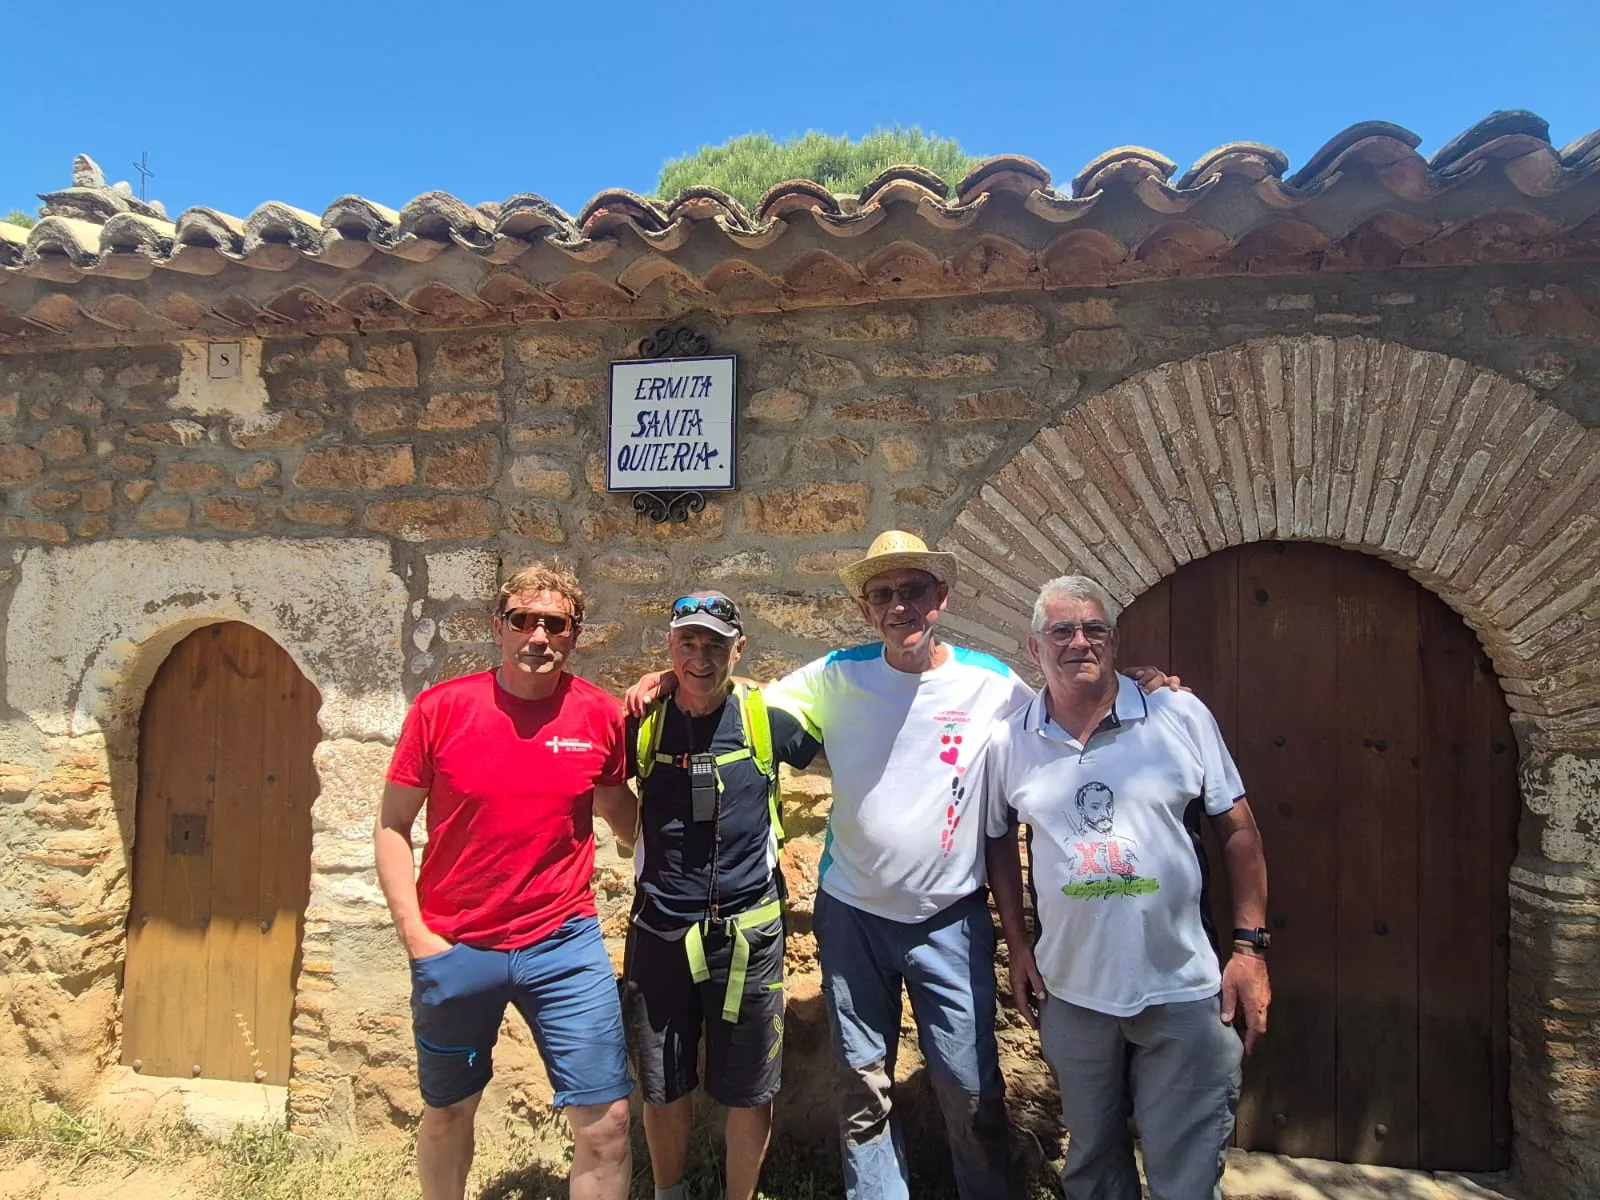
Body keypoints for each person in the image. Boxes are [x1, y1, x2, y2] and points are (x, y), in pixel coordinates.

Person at [627, 531, 1176, 1200]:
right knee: (862, 1089)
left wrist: (1139, 686)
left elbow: (1064, 716)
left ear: (940, 598)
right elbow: (736, 699)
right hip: (853, 916)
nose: (899, 606)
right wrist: (667, 676)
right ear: (866, 609)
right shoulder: (837, 674)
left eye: (913, 590)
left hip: (951, 920)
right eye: (883, 594)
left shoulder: (989, 683)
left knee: (970, 1089)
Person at [983, 574, 1272, 1200]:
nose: (1079, 642)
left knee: (1187, 1177)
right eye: (1062, 630)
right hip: (1076, 994)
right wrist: (1018, 943)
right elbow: (997, 839)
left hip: (1183, 991)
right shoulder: (1011, 740)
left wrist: (1250, 950)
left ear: (1113, 642)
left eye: (1094, 630)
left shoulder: (1178, 714)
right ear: (1035, 649)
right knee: (1091, 1170)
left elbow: (1239, 831)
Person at [374, 562, 637, 1200]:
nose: (538, 635)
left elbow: (625, 814)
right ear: (499, 628)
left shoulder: (598, 714)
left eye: (556, 624)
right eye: (524, 620)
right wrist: (415, 935)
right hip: (456, 944)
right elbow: (392, 823)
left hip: (564, 946)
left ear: (575, 635)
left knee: (608, 1125)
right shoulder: (442, 710)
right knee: (446, 1114)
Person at [620, 590, 822, 1200]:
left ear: (740, 648)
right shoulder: (641, 720)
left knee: (750, 1088)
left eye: (715, 644)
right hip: (660, 931)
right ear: (669, 646)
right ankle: (669, 1192)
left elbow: (861, 744)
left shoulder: (768, 718)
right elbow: (587, 778)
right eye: (688, 643)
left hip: (749, 932)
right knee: (662, 1083)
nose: (700, 657)